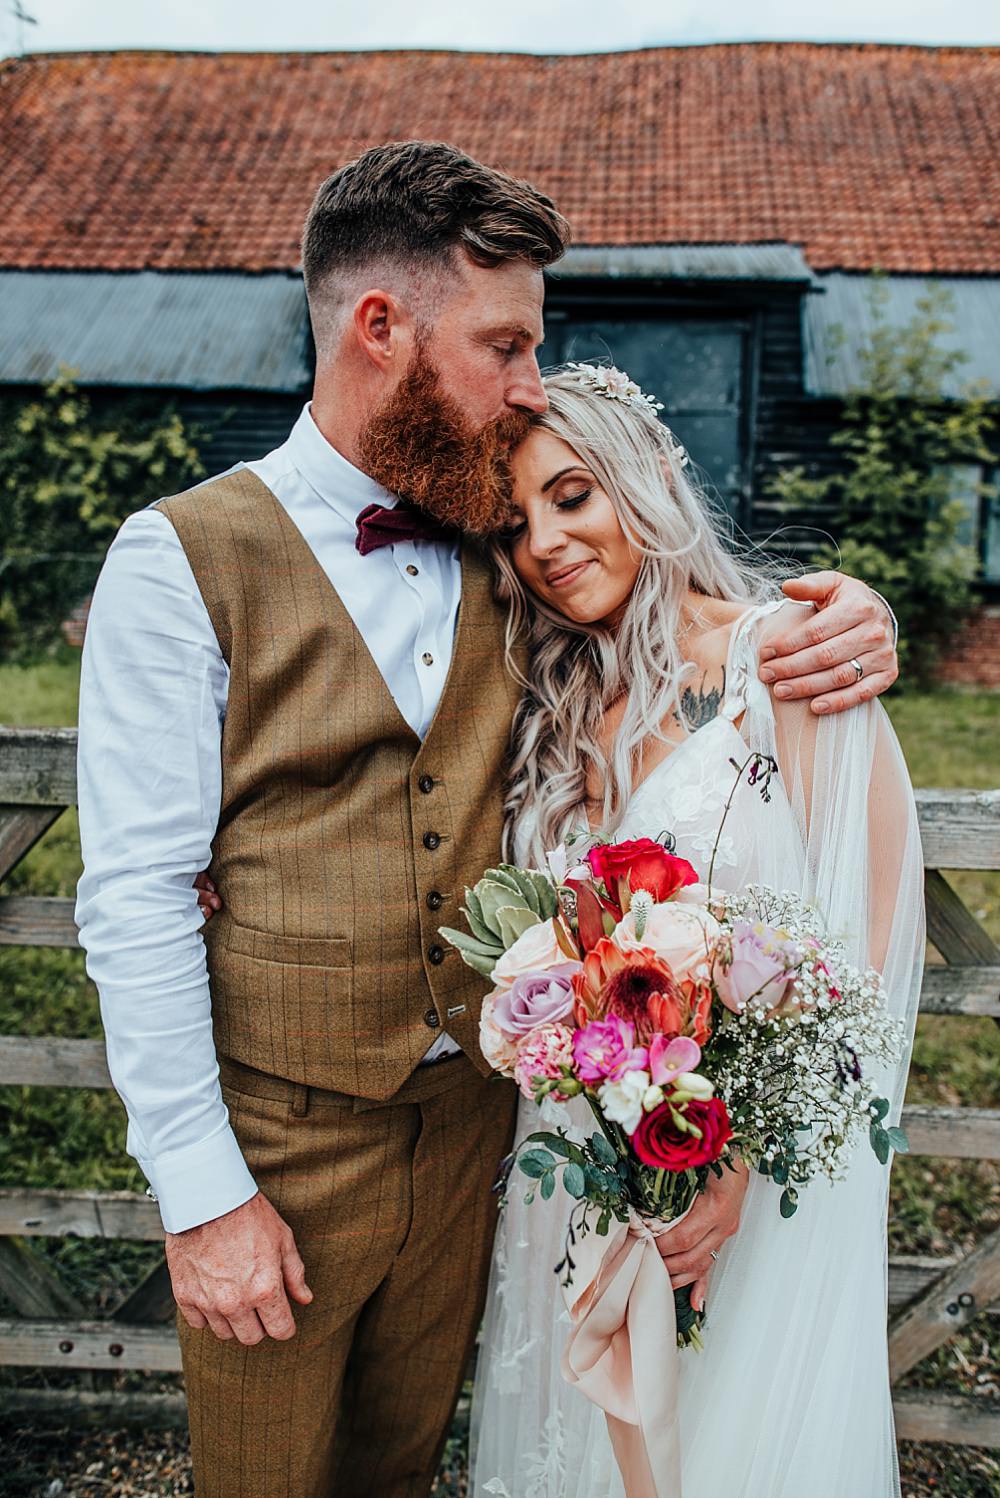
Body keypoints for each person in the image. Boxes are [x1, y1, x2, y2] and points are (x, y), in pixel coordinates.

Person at [74, 141, 900, 1498]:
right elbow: (139, 893)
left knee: (408, 1471)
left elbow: (663, 633)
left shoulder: (493, 544)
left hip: (486, 1143)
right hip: (280, 1152)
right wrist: (203, 1192)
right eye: (505, 344)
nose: (528, 384)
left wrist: (853, 610)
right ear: (381, 328)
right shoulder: (184, 557)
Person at [469, 366, 923, 1498]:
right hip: (571, 1173)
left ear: (653, 475)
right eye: (518, 523)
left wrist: (731, 1171)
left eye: (572, 495)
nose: (546, 541)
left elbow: (863, 967)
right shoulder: (540, 698)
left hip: (741, 1187)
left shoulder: (792, 665)